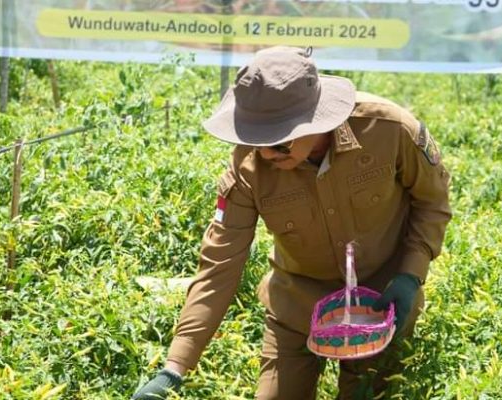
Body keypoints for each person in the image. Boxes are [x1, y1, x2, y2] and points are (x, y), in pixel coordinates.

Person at [132, 46, 452, 399]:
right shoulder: (248, 168)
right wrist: (174, 369)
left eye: (280, 143)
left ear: (317, 118)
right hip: (296, 307)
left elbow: (432, 201)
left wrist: (409, 274)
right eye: (257, 142)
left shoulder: (389, 130)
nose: (267, 154)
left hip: (381, 303)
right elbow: (218, 265)